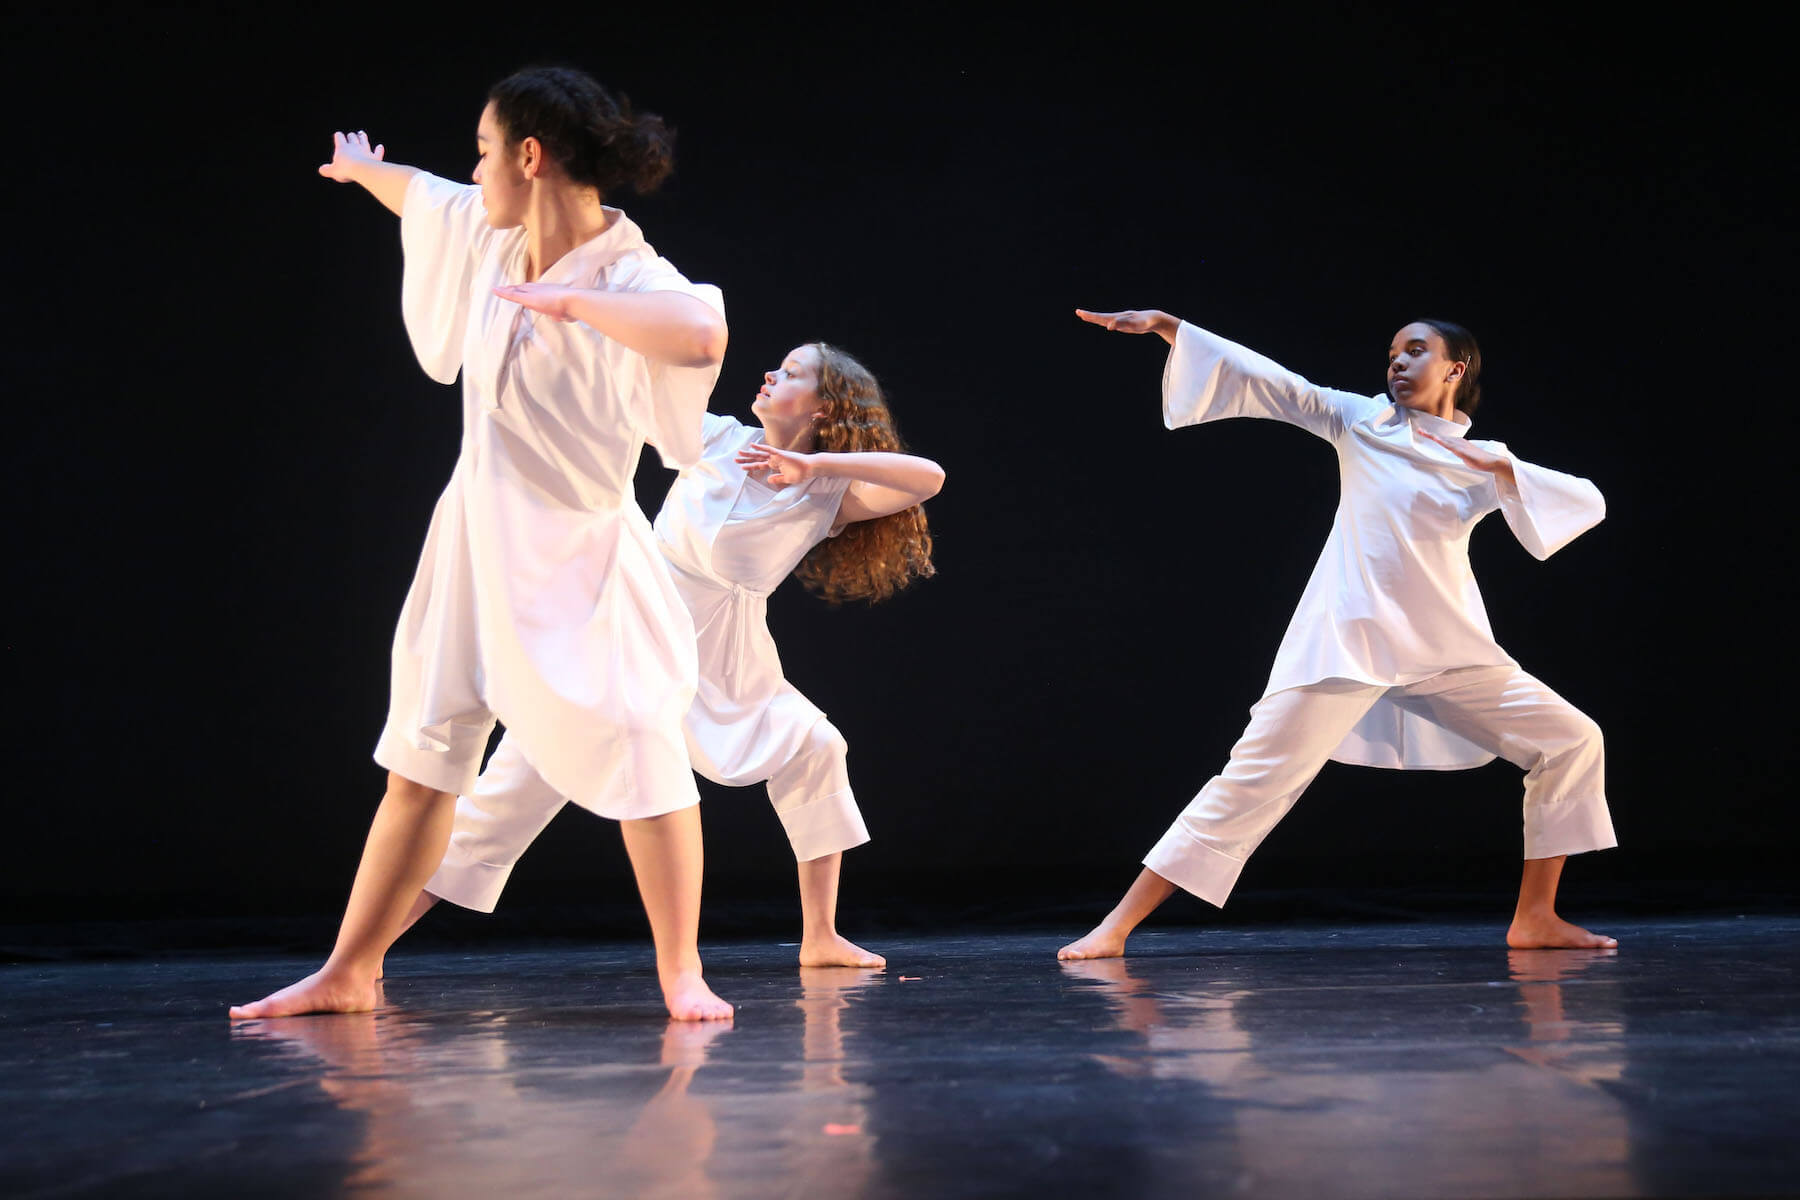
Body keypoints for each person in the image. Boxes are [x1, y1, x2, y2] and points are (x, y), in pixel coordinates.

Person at [230, 66, 734, 1021]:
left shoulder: (630, 273)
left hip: (579, 551)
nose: (476, 168)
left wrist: (574, 305)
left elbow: (700, 334)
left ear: (529, 157)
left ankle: (681, 971)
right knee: (423, 757)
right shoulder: (492, 232)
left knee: (639, 738)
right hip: (471, 537)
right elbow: (424, 193)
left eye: (485, 148)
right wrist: (364, 171)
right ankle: (349, 969)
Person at [1058, 307, 1617, 960]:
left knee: (1573, 740)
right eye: (1392, 354)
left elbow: (1587, 500)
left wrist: (1497, 468)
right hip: (1347, 644)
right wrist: (1173, 328)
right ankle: (1116, 927)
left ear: (1455, 368)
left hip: (1445, 650)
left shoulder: (1483, 459)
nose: (1398, 363)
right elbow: (1279, 384)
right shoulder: (1362, 421)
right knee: (1249, 783)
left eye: (1414, 351)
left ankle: (1535, 918)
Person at [384, 341, 943, 969]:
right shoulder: (715, 438)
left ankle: (820, 937)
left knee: (816, 747)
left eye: (791, 373)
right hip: (631, 634)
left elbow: (929, 478)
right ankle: (364, 952)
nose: (769, 373)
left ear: (824, 409)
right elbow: (634, 397)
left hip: (727, 664)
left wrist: (812, 469)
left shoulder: (830, 493)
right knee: (510, 792)